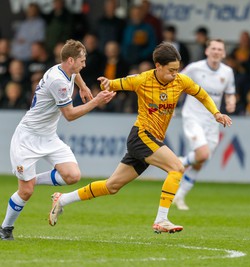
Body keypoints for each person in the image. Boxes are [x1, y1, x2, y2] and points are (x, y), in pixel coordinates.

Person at [48, 42, 232, 234]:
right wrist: (107, 83)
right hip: (142, 136)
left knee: (112, 186)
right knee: (177, 167)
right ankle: (161, 219)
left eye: (177, 69)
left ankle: (62, 199)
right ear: (158, 66)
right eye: (170, 70)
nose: (174, 74)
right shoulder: (142, 80)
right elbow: (116, 83)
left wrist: (216, 113)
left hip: (151, 140)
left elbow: (202, 95)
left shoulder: (181, 81)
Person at [0, 39, 115, 241]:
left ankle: (33, 180)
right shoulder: (58, 81)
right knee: (25, 192)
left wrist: (83, 86)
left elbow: (76, 73)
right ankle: (5, 228)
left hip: (48, 136)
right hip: (27, 138)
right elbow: (69, 115)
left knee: (72, 175)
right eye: (82, 60)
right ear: (70, 59)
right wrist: (96, 101)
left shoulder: (64, 69)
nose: (84, 64)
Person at [173, 39, 236, 210]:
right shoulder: (195, 68)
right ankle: (178, 162)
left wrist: (231, 102)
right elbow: (176, 83)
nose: (216, 52)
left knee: (201, 160)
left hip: (212, 121)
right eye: (213, 48)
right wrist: (172, 104)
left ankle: (180, 195)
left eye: (220, 49)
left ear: (223, 53)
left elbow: (230, 93)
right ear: (207, 51)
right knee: (202, 153)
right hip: (193, 117)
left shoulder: (228, 72)